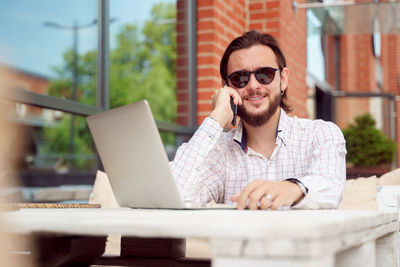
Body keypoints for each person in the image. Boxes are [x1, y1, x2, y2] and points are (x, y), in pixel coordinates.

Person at [170, 30, 346, 210]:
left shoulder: (321, 134)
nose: (253, 85)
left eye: (264, 74)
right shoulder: (220, 152)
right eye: (240, 78)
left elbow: (331, 187)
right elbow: (173, 197)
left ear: (283, 79)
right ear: (227, 88)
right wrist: (217, 117)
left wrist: (292, 189)